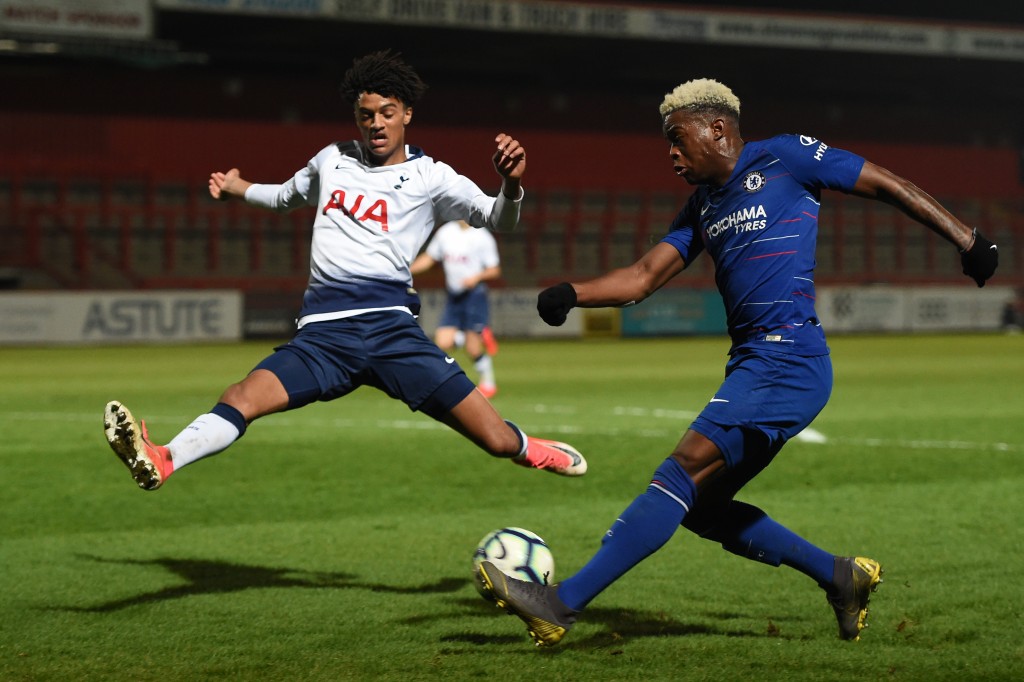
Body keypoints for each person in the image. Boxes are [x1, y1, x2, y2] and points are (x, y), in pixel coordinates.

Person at [477, 78, 998, 646]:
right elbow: (643, 277)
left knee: (680, 471)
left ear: (717, 128)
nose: (670, 154)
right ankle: (841, 577)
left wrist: (967, 240)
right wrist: (571, 293)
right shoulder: (701, 206)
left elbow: (888, 184)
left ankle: (562, 605)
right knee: (699, 506)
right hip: (755, 364)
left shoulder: (786, 156)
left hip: (789, 356)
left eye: (678, 139)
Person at [103, 50, 587, 493]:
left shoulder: (431, 176)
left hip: (391, 331)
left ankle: (531, 449)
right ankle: (164, 458)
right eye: (366, 115)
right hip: (324, 336)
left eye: (387, 113)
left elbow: (499, 218)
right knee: (242, 395)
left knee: (496, 441)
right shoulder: (331, 159)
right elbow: (284, 197)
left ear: (407, 114)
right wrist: (238, 186)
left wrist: (511, 182)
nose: (376, 124)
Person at [410, 219, 502, 397]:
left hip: (474, 294)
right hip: (454, 295)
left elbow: (494, 270)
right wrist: (407, 269)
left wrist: (475, 278)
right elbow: (429, 258)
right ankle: (479, 334)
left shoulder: (482, 236)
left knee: (473, 348)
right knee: (442, 342)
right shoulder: (446, 232)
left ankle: (489, 383)